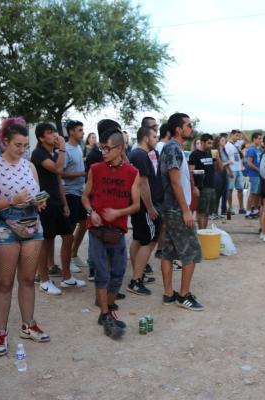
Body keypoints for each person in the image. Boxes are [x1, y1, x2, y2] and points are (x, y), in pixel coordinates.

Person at [0, 121, 50, 357]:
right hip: (3, 226)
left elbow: (37, 194)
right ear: (5, 143)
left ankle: (28, 325)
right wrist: (11, 201)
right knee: (5, 283)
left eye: (25, 146)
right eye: (17, 145)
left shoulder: (29, 166)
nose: (21, 150)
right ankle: (0, 332)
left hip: (31, 224)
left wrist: (40, 202)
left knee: (29, 279)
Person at [81, 128, 140, 338]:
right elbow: (85, 197)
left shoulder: (132, 172)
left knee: (118, 273)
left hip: (117, 231)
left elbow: (136, 205)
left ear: (120, 148)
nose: (103, 151)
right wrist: (91, 212)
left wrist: (119, 212)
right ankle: (105, 313)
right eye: (101, 147)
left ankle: (109, 306)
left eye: (107, 148)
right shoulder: (95, 169)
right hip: (96, 230)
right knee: (101, 273)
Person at [32, 123, 84, 296]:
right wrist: (62, 148)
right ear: (41, 138)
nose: (54, 135)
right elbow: (58, 168)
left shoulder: (53, 153)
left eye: (55, 132)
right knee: (46, 240)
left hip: (57, 200)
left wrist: (65, 203)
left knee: (68, 236)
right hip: (44, 201)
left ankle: (67, 276)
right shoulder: (39, 154)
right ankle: (44, 280)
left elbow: (58, 178)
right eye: (50, 133)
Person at [159, 113, 204, 311]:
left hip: (172, 208)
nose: (191, 128)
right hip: (176, 210)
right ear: (178, 128)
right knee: (192, 251)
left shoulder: (175, 148)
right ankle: (183, 295)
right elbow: (174, 181)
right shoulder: (173, 148)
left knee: (168, 252)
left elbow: (181, 179)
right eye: (188, 125)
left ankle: (169, 293)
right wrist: (186, 211)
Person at [128, 126, 162, 295]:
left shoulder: (135, 154)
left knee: (138, 239)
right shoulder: (141, 155)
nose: (156, 139)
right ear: (146, 138)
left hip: (138, 206)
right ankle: (136, 280)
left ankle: (138, 273)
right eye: (154, 136)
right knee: (149, 241)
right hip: (143, 206)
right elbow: (142, 183)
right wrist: (150, 207)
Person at [62, 120, 89, 272]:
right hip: (70, 192)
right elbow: (62, 173)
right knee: (69, 229)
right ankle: (66, 260)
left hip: (80, 192)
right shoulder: (65, 149)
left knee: (84, 224)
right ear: (71, 132)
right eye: (79, 130)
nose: (82, 132)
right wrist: (82, 173)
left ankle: (74, 254)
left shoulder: (79, 147)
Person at [189, 134, 219, 229]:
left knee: (206, 213)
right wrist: (194, 187)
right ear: (202, 142)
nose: (211, 145)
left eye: (212, 143)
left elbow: (217, 167)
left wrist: (217, 158)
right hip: (201, 187)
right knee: (201, 212)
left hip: (211, 186)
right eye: (209, 143)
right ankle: (201, 234)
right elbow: (190, 172)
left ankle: (204, 233)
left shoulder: (210, 153)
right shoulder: (195, 154)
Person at [225, 130, 245, 214]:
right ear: (232, 135)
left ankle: (241, 208)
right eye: (236, 135)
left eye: (239, 136)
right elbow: (226, 159)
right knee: (230, 189)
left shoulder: (237, 144)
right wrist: (228, 170)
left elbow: (247, 141)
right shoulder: (227, 145)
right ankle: (230, 208)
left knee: (240, 189)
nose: (238, 137)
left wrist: (242, 133)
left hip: (239, 169)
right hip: (232, 170)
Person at [245, 133, 262, 218]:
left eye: (261, 138)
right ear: (254, 139)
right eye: (259, 138)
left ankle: (255, 210)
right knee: (252, 193)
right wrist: (258, 170)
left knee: (257, 193)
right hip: (253, 174)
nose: (260, 140)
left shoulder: (257, 149)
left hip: (258, 174)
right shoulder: (251, 149)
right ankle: (248, 212)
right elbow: (249, 162)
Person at [215, 135, 232, 216]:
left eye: (225, 140)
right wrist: (228, 162)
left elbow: (226, 163)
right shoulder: (215, 152)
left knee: (225, 192)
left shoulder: (224, 151)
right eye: (222, 140)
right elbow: (217, 164)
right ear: (218, 141)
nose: (224, 141)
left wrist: (230, 171)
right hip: (218, 174)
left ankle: (224, 210)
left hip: (225, 173)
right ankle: (214, 212)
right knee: (218, 193)